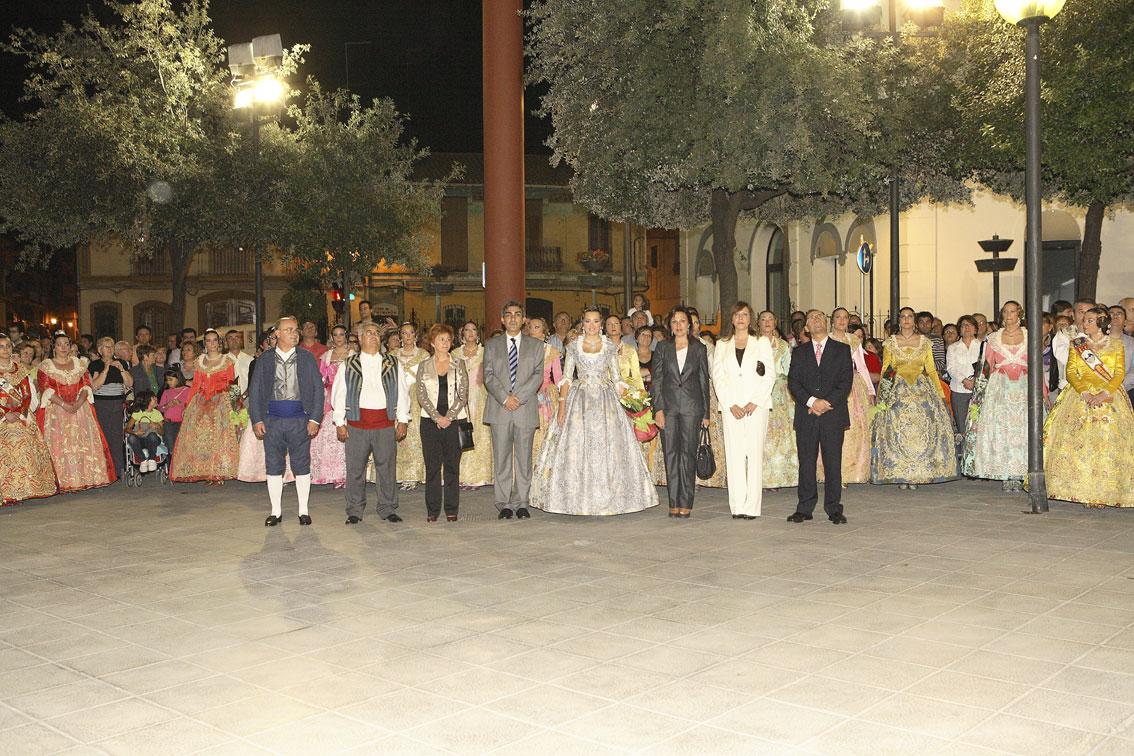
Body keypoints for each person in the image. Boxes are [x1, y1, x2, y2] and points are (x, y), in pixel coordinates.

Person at [531, 307, 659, 516]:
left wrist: (632, 402)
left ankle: (613, 497)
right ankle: (574, 498)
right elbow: (566, 378)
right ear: (582, 323)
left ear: (601, 324)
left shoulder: (609, 347)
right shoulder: (573, 347)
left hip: (605, 398)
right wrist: (562, 407)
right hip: (578, 401)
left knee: (611, 448)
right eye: (588, 321)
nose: (591, 325)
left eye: (595, 321)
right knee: (575, 448)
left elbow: (617, 378)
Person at [1044, 306, 1134, 507]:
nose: (1085, 323)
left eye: (1090, 320)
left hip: (1109, 395)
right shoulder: (1077, 344)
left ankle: (1106, 491)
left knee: (1108, 442)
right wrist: (1084, 391)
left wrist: (1104, 393)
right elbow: (1071, 372)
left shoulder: (1116, 344)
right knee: (1077, 442)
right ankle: (1081, 490)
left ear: (1101, 322)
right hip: (1080, 395)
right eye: (1084, 320)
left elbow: (1119, 372)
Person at [331, 321, 411, 524]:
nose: (374, 336)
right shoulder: (348, 364)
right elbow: (339, 394)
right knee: (355, 469)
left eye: (376, 333)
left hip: (384, 423)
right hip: (357, 424)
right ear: (359, 337)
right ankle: (355, 510)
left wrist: (402, 419)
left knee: (387, 469)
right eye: (368, 333)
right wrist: (340, 422)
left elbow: (402, 392)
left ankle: (387, 507)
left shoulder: (392, 363)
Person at [249, 316, 324, 525]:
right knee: (273, 466)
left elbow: (318, 390)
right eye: (289, 329)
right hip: (272, 421)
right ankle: (276, 512)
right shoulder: (264, 360)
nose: (294, 333)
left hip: (300, 420)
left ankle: (303, 511)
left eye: (295, 329)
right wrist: (256, 419)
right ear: (277, 334)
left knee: (302, 465)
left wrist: (315, 419)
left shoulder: (307, 358)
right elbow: (255, 392)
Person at [871, 307, 958, 488]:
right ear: (899, 321)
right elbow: (887, 370)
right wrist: (882, 397)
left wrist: (940, 395)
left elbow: (932, 370)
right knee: (898, 430)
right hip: (898, 389)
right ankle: (901, 474)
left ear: (915, 321)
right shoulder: (891, 342)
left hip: (921, 388)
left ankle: (918, 473)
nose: (906, 320)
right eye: (903, 317)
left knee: (922, 429)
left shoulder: (925, 342)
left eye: (910, 316)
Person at [787, 310, 852, 524]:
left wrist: (825, 403)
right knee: (806, 461)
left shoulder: (842, 350)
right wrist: (811, 402)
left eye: (819, 317)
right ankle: (805, 507)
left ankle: (834, 508)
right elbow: (793, 383)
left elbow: (845, 382)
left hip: (832, 414)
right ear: (805, 327)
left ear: (826, 323)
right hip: (807, 414)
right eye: (811, 318)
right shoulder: (799, 352)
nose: (816, 320)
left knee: (832, 461)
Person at [712, 302, 775, 519]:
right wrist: (730, 403)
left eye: (745, 314)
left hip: (755, 407)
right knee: (735, 455)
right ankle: (738, 506)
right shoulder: (722, 344)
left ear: (751, 319)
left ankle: (752, 507)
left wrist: (754, 401)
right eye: (737, 314)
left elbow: (769, 375)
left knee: (754, 455)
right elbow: (718, 377)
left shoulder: (761, 343)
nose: (740, 318)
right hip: (732, 408)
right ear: (731, 319)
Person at [483, 301, 545, 520]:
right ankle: (504, 503)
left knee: (523, 458)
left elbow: (538, 375)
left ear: (524, 319)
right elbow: (488, 375)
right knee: (501, 458)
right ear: (502, 319)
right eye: (508, 315)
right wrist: (504, 398)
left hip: (524, 408)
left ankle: (522, 502)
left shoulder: (536, 346)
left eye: (517, 315)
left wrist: (518, 397)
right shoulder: (491, 345)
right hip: (500, 409)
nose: (512, 318)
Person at [962, 301, 1030, 489]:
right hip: (1000, 388)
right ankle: (1005, 474)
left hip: (1024, 386)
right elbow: (986, 367)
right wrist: (979, 393)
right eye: (1006, 311)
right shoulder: (993, 338)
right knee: (1001, 430)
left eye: (1013, 311)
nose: (1009, 315)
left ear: (1019, 314)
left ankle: (1021, 473)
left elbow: (1036, 364)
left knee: (1022, 430)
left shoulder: (1029, 336)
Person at [37, 332, 116, 491]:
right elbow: (45, 388)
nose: (63, 348)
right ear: (54, 347)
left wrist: (78, 403)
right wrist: (65, 405)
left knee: (82, 444)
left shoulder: (79, 364)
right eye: (59, 344)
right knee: (61, 446)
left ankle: (83, 478)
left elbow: (87, 384)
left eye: (66, 344)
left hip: (80, 408)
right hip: (57, 409)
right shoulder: (46, 366)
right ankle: (63, 481)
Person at [651, 306, 710, 518]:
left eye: (682, 321)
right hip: (668, 408)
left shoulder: (699, 348)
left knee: (688, 454)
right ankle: (674, 502)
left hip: (692, 409)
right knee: (671, 454)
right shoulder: (662, 347)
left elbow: (704, 381)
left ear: (689, 324)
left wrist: (706, 413)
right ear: (670, 325)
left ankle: (686, 501)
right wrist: (657, 409)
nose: (678, 325)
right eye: (674, 321)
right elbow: (656, 380)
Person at [170, 329, 240, 485]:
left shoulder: (226, 361)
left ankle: (219, 472)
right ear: (205, 344)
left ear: (219, 343)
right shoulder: (200, 361)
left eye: (215, 340)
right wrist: (188, 405)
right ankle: (207, 471)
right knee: (201, 437)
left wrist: (233, 405)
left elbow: (231, 384)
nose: (212, 343)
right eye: (208, 340)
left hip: (220, 400)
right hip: (201, 401)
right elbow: (195, 385)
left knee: (219, 437)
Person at [416, 324, 470, 522]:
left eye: (448, 339)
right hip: (429, 422)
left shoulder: (459, 364)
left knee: (452, 467)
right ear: (432, 342)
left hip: (454, 421)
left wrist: (449, 416)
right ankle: (432, 509)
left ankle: (451, 508)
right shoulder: (424, 365)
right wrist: (436, 417)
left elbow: (463, 393)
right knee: (432, 467)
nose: (445, 343)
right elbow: (421, 394)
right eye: (441, 339)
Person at [822, 307, 876, 485]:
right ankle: (834, 473)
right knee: (833, 429)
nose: (842, 321)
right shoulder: (825, 339)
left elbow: (861, 366)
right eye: (838, 317)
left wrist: (870, 390)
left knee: (856, 429)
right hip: (832, 386)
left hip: (853, 387)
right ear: (832, 320)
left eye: (845, 318)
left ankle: (853, 472)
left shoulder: (853, 340)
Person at [0, 334, 56, 504]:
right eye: (1, 346)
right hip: (2, 416)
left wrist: (20, 413)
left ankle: (27, 487)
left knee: (25, 442)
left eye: (8, 346)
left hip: (20, 415)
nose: (6, 349)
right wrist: (4, 414)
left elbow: (27, 394)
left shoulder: (20, 369)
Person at [308, 324, 353, 488]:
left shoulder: (353, 355)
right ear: (332, 337)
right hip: (330, 398)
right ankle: (328, 473)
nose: (339, 337)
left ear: (346, 336)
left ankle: (346, 474)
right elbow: (320, 379)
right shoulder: (326, 356)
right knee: (327, 435)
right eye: (336, 334)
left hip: (349, 398)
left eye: (342, 334)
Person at [757, 310, 798, 489]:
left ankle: (783, 475)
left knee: (782, 435)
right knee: (762, 433)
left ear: (775, 323)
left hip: (781, 393)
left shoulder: (783, 345)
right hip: (759, 391)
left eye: (770, 319)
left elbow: (790, 369)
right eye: (763, 319)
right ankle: (762, 477)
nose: (767, 322)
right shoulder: (753, 344)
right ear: (758, 323)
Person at [454, 321, 494, 489]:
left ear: (478, 334)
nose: (470, 332)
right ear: (462, 335)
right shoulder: (455, 354)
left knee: (480, 435)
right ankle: (463, 476)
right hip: (460, 398)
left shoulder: (485, 352)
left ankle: (480, 476)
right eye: (467, 330)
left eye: (474, 330)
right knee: (461, 435)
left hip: (480, 397)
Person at [89, 336, 134, 480]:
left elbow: (129, 383)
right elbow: (94, 386)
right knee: (103, 436)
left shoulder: (121, 362)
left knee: (116, 436)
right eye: (107, 347)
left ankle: (118, 468)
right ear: (100, 349)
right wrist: (106, 368)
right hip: (102, 404)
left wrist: (121, 370)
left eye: (112, 346)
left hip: (117, 403)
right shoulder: (95, 364)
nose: (110, 349)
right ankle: (105, 470)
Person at [392, 322, 429, 490]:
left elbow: (429, 378)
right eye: (404, 333)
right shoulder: (392, 355)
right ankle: (398, 474)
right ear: (400, 336)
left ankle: (414, 474)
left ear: (416, 335)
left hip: (416, 399)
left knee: (415, 437)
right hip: (396, 399)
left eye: (411, 333)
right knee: (396, 436)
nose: (408, 336)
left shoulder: (423, 355)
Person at [526, 317, 563, 461]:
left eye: (537, 327)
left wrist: (562, 399)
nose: (533, 329)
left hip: (546, 395)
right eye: (531, 327)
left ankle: (546, 465)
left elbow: (559, 377)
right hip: (527, 394)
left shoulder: (552, 351)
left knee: (547, 431)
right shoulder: (522, 349)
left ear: (544, 331)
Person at [946, 315, 982, 435]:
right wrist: (964, 381)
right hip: (959, 390)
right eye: (963, 325)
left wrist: (975, 382)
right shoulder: (953, 347)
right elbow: (951, 368)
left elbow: (986, 367)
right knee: (962, 427)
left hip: (978, 391)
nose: (966, 327)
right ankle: (963, 451)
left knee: (978, 425)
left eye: (970, 325)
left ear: (975, 329)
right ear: (959, 330)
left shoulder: (983, 346)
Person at [1052, 298, 1094, 391]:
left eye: (1089, 312)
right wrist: (1082, 334)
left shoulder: (1100, 335)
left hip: (1095, 388)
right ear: (1073, 315)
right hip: (1068, 388)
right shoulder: (1063, 334)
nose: (1085, 316)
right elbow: (1065, 358)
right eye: (1081, 312)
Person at [125, 390, 165, 472]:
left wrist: (157, 426)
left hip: (152, 440)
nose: (156, 399)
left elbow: (162, 433)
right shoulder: (138, 413)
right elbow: (127, 428)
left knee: (152, 435)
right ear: (148, 401)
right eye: (154, 398)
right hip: (140, 440)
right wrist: (135, 433)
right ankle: (143, 460)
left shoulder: (157, 414)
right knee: (131, 438)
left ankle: (151, 459)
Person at [158, 369, 189, 466]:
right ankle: (172, 466)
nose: (168, 382)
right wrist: (167, 405)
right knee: (170, 445)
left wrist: (180, 404)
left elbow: (192, 406)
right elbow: (160, 408)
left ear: (178, 379)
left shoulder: (187, 390)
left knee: (179, 445)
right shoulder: (166, 392)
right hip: (168, 422)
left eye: (170, 379)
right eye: (167, 380)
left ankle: (180, 466)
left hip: (181, 422)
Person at [1107, 304, 1134, 407]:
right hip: (1098, 389)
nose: (1115, 316)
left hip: (1125, 389)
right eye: (1111, 314)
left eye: (1119, 314)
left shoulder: (1132, 343)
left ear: (1125, 321)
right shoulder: (1096, 341)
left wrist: (1119, 386)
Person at [225, 330, 253, 395]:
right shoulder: (222, 361)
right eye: (230, 338)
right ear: (226, 342)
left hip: (248, 399)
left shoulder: (250, 360)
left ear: (241, 341)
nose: (234, 340)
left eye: (237, 337)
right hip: (229, 401)